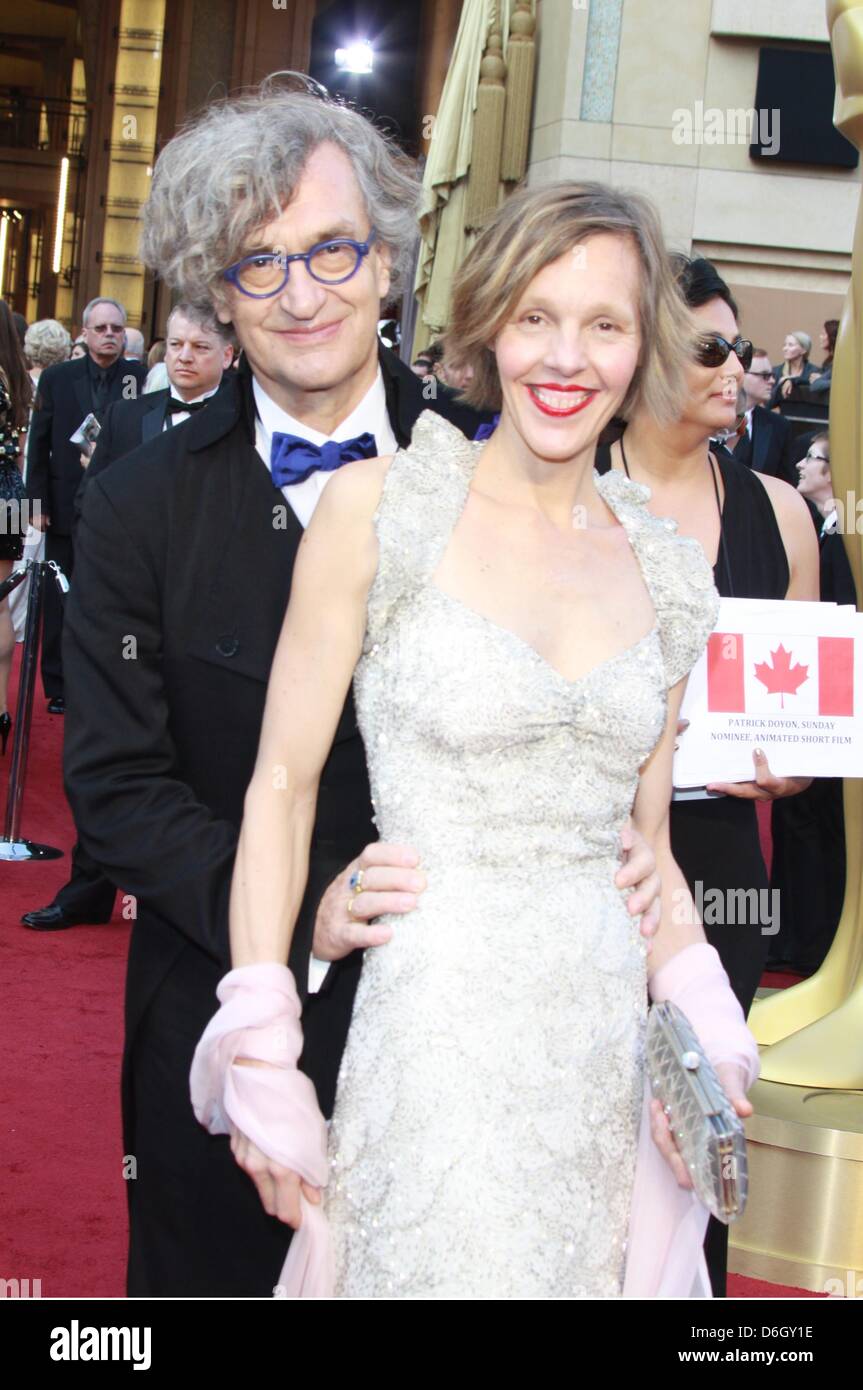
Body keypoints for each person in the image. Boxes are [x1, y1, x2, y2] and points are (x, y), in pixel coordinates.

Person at [61, 83, 666, 1298]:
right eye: (256, 264)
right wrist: (296, 918)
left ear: (385, 261)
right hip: (236, 1024)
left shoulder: (493, 450)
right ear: (213, 293)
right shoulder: (139, 502)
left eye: (331, 249)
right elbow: (117, 789)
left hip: (481, 1046)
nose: (302, 292)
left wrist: (642, 854)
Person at [192, 181, 759, 1300]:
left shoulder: (664, 572)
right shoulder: (379, 510)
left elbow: (647, 853)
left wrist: (703, 1021)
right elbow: (281, 786)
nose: (565, 357)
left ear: (640, 345)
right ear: (488, 320)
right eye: (535, 315)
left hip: (597, 1072)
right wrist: (261, 1038)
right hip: (434, 1048)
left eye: (603, 324)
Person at [595, 255, 818, 1296]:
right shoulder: (568, 492)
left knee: (702, 1111)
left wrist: (790, 764)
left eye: (741, 349)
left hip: (726, 862)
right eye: (709, 349)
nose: (736, 369)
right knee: (589, 1114)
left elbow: (807, 714)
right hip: (586, 849)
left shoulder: (778, 513)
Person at [22, 302, 235, 933]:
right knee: (111, 751)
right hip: (129, 613)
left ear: (229, 354)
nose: (185, 356)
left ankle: (181, 898)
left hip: (207, 620)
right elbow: (93, 502)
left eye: (200, 346)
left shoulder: (244, 423)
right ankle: (89, 889)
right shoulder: (125, 417)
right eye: (176, 345)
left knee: (195, 755)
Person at [25, 298, 147, 712]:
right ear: (85, 332)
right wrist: (35, 504)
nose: (109, 335)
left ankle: (104, 681)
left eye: (116, 328)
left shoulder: (139, 377)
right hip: (62, 502)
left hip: (119, 505)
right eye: (101, 329)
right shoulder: (58, 378)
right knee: (59, 598)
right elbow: (38, 444)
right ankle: (57, 685)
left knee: (112, 599)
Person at [768, 432, 854, 979]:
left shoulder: (847, 534)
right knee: (797, 816)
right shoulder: (827, 528)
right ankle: (796, 934)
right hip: (813, 696)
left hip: (831, 699)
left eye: (815, 458)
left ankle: (812, 940)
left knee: (815, 819)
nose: (802, 462)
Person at [0, 300, 32, 752]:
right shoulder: (19, 380)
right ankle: (1, 710)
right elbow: (22, 455)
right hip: (10, 492)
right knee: (1, 602)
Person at [731, 347, 797, 485]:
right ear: (740, 376)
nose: (772, 381)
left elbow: (786, 482)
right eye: (765, 375)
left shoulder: (779, 426)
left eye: (772, 375)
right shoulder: (713, 421)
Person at [770, 329, 817, 405]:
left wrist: (792, 380)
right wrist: (780, 384)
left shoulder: (813, 372)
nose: (785, 349)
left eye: (790, 345)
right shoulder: (775, 372)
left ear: (804, 350)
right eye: (784, 345)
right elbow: (768, 403)